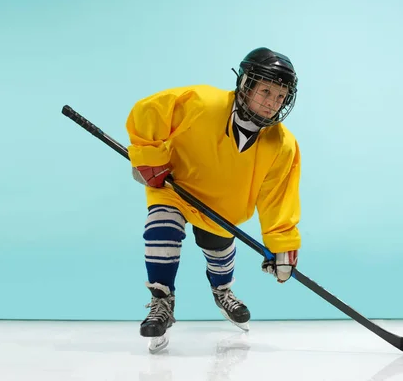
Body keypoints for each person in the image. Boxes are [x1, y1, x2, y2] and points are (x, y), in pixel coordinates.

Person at [125, 47, 302, 348]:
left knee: (218, 251)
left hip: (222, 207)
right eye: (266, 91)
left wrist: (282, 245)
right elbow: (148, 112)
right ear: (246, 84)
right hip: (176, 189)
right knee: (161, 227)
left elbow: (278, 197)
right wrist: (148, 156)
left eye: (280, 96)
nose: (273, 103)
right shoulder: (201, 103)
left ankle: (222, 292)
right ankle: (161, 303)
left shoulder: (283, 145)